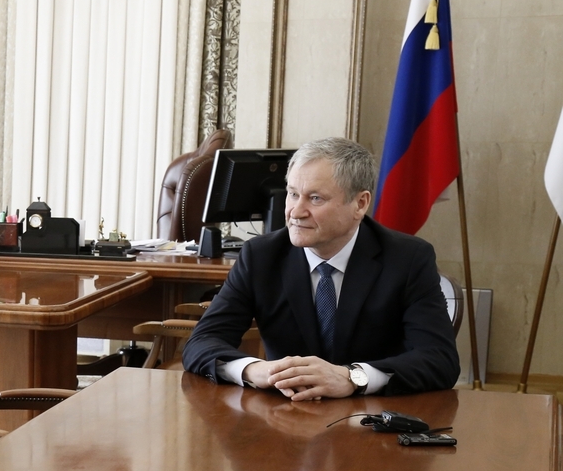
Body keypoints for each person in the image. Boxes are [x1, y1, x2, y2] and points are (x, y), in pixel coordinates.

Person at [182, 137, 460, 398]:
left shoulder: (408, 259)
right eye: (292, 194)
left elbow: (440, 360)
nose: (295, 211)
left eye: (315, 198)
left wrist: (352, 377)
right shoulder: (261, 256)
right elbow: (201, 343)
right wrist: (254, 370)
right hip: (285, 420)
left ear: (360, 204)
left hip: (372, 421)